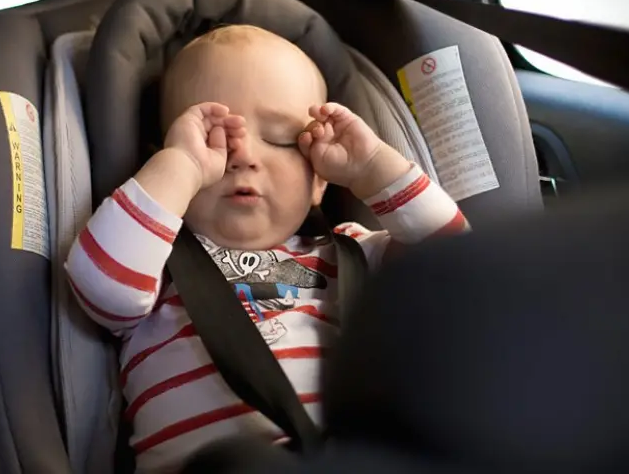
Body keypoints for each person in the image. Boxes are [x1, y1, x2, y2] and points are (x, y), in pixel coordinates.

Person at [64, 25, 469, 473]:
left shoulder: (353, 251)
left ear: (319, 178)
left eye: (279, 137)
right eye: (212, 140)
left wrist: (373, 167)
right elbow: (100, 283)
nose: (243, 158)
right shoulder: (153, 265)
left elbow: (456, 268)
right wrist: (181, 166)